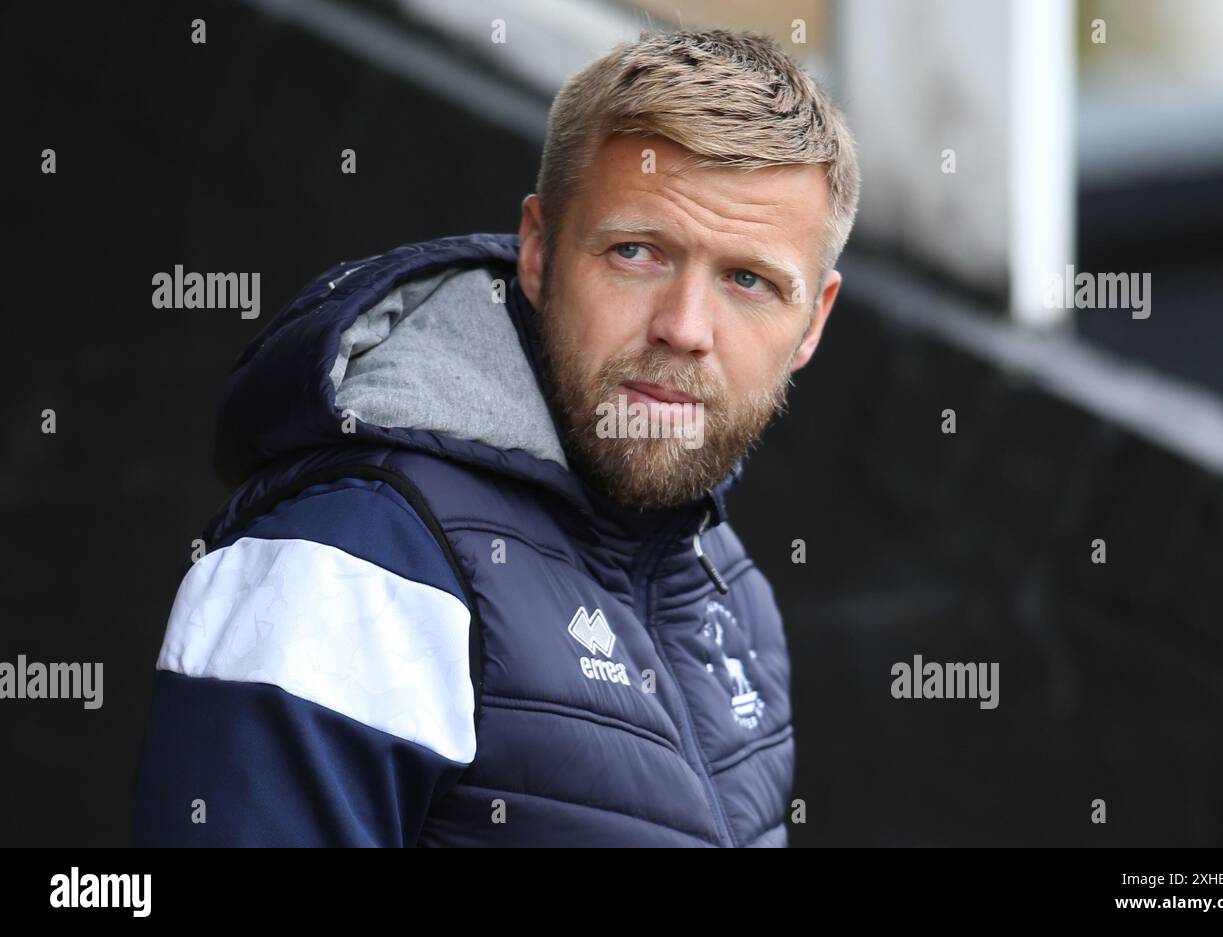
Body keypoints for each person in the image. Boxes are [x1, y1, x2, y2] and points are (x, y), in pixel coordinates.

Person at [131, 27, 859, 847]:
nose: (686, 328)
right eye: (636, 251)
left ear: (812, 321)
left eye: (749, 280)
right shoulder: (356, 556)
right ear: (540, 253)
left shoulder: (730, 591)